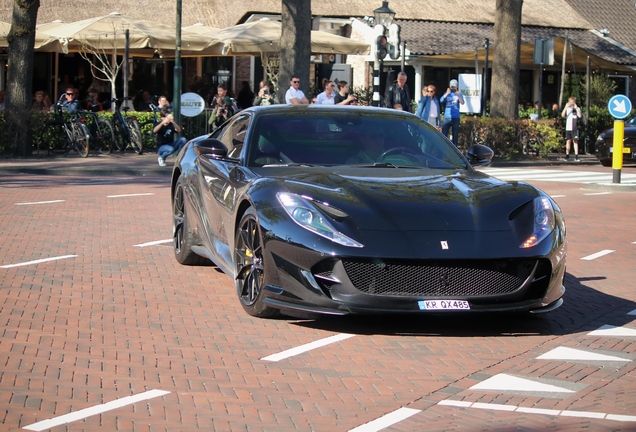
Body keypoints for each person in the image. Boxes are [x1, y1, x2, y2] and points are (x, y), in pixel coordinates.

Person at [440, 79, 465, 147]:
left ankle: (455, 149)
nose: (453, 88)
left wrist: (458, 96)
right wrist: (447, 93)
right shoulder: (446, 93)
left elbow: (462, 102)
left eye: (454, 87)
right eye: (451, 87)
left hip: (456, 117)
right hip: (447, 117)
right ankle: (443, 147)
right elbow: (441, 100)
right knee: (444, 134)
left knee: (455, 135)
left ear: (457, 86)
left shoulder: (459, 94)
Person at [562, 96, 582, 161]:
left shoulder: (577, 109)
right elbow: (562, 115)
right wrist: (565, 107)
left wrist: (576, 108)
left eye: (573, 102)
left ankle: (576, 156)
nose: (572, 104)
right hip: (568, 128)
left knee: (575, 141)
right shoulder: (567, 109)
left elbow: (579, 116)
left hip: (575, 128)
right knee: (568, 141)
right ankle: (567, 155)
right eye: (570, 102)